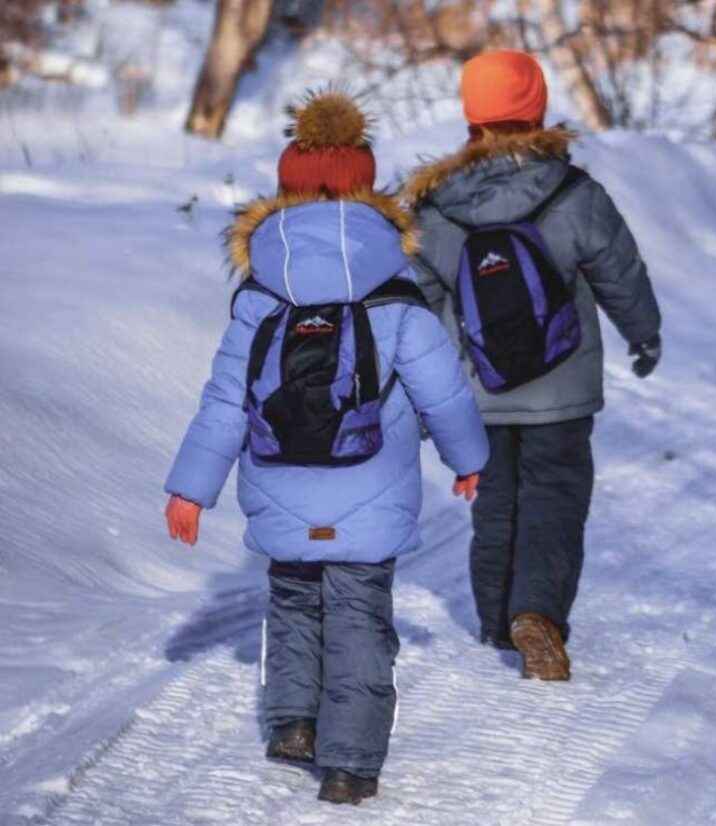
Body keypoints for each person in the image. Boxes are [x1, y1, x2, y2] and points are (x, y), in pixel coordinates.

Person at [162, 90, 488, 805]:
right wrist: (469, 461)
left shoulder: (260, 295)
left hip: (280, 481)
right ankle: (349, 764)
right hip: (370, 488)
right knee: (359, 617)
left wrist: (190, 488)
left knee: (292, 600)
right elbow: (443, 393)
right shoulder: (395, 292)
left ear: (285, 193)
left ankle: (293, 723)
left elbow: (225, 401)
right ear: (368, 194)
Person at [402, 51, 663, 681]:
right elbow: (620, 273)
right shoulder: (573, 193)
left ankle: (498, 619)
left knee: (496, 502)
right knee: (555, 497)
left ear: (472, 118)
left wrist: (431, 389)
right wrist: (644, 334)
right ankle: (537, 614)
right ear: (538, 110)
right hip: (561, 387)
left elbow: (423, 307)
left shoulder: (435, 209)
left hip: (480, 389)